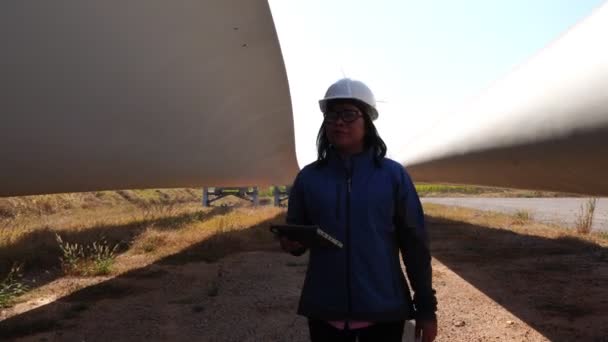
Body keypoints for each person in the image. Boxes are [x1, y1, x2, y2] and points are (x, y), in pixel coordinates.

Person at [279, 78, 438, 342]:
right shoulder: (308, 178)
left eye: (348, 114)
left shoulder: (393, 176)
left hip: (384, 311)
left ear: (367, 121)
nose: (338, 122)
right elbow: (298, 238)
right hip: (325, 311)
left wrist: (426, 309)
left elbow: (415, 245)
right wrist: (292, 242)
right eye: (332, 115)